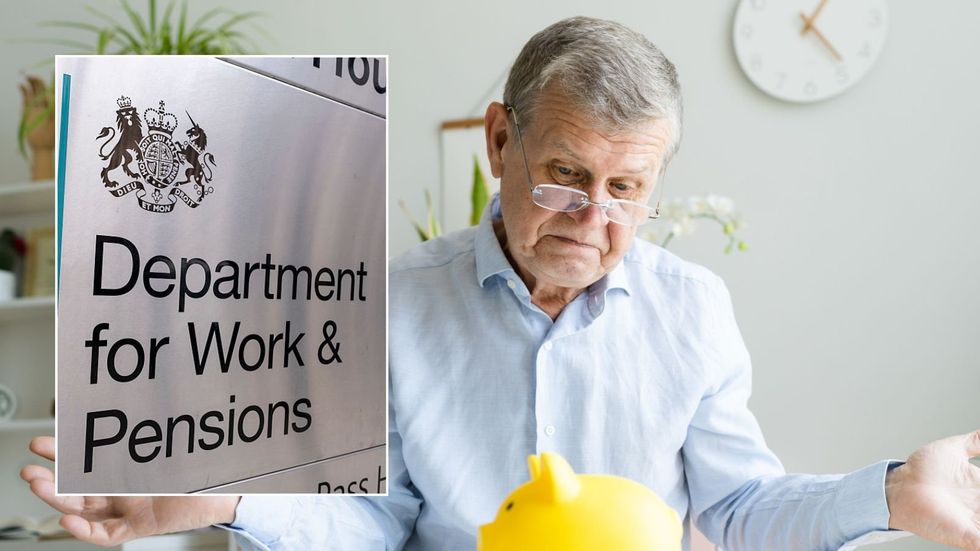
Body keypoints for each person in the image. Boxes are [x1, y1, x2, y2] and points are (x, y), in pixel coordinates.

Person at [22, 16, 980, 551]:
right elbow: (379, 518)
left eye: (627, 189)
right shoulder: (387, 302)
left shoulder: (693, 309)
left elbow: (739, 511)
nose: (593, 216)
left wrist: (891, 492)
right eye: (566, 175)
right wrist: (225, 495)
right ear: (498, 142)